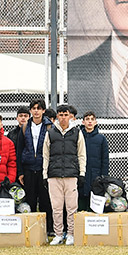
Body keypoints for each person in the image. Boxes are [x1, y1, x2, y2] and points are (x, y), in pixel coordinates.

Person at [43, 105, 87, 246]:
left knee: (71, 207)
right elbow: (46, 155)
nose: (63, 117)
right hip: (54, 175)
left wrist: (81, 173)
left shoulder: (76, 132)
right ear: (57, 117)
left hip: (71, 175)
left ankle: (71, 234)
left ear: (70, 116)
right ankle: (58, 234)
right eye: (60, 115)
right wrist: (45, 174)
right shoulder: (50, 133)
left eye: (65, 114)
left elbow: (81, 154)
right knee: (56, 207)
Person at [22, 100, 54, 235]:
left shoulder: (50, 127)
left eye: (39, 108)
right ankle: (31, 228)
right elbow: (20, 149)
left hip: (44, 169)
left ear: (43, 111)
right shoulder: (25, 127)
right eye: (33, 108)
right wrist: (20, 171)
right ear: (30, 111)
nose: (36, 111)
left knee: (45, 200)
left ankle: (48, 229)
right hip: (29, 168)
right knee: (30, 199)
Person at [80, 111, 111, 213]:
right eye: (87, 119)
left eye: (92, 119)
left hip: (95, 176)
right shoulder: (78, 137)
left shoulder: (101, 139)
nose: (90, 122)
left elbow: (105, 160)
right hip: (81, 175)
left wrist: (103, 177)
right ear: (83, 122)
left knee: (94, 205)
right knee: (81, 203)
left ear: (96, 122)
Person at [0, 114, 18, 193]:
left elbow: (12, 163)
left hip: (3, 184)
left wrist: (9, 179)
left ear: (2, 124)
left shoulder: (9, 143)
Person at [7, 108, 30, 176]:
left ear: (29, 118)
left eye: (25, 116)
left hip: (28, 166)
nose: (23, 118)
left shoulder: (33, 133)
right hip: (14, 166)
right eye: (20, 116)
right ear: (17, 118)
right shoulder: (11, 134)